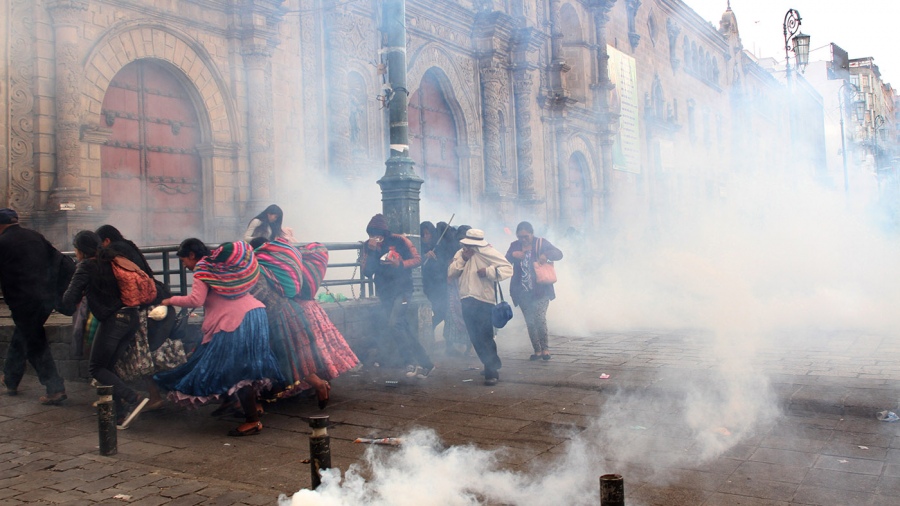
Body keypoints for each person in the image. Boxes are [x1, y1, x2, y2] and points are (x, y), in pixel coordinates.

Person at [154, 239, 284, 437]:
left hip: (235, 321)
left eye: (183, 261)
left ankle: (252, 421)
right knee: (241, 367)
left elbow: (196, 300)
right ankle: (235, 403)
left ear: (191, 255)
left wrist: (169, 300)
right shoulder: (221, 266)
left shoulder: (203, 269)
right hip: (255, 314)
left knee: (238, 370)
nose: (185, 266)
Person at [249, 237, 359, 408]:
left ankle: (315, 385)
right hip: (295, 311)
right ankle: (315, 384)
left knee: (294, 357)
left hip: (282, 315)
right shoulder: (285, 265)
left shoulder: (264, 269)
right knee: (305, 353)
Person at [60, 231, 148, 428]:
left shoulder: (86, 266)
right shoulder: (112, 260)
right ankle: (119, 414)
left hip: (114, 321)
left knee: (96, 368)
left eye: (76, 250)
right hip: (131, 317)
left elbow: (68, 301)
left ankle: (132, 397)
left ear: (81, 250)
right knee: (107, 368)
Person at [96, 224, 172, 410]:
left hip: (140, 307)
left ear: (106, 240)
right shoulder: (127, 246)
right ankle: (125, 395)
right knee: (133, 354)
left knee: (137, 355)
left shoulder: (116, 252)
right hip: (151, 301)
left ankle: (150, 396)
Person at [0, 208, 68, 404]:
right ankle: (10, 379)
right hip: (46, 298)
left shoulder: (3, 242)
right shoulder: (35, 236)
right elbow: (56, 260)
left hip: (23, 301)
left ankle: (55, 389)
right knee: (23, 335)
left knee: (34, 343)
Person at [360, 213, 434, 378]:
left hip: (403, 289)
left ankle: (409, 362)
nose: (375, 238)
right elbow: (367, 272)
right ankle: (426, 363)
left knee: (395, 324)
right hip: (385, 291)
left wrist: (399, 264)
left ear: (384, 233)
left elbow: (417, 259)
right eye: (372, 234)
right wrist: (372, 252)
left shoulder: (399, 240)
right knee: (402, 326)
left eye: (378, 234)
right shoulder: (368, 246)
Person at [448, 228, 512, 386]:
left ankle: (491, 371)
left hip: (484, 299)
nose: (469, 248)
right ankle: (491, 362)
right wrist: (463, 258)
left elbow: (508, 268)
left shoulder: (489, 252)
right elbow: (451, 273)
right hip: (466, 299)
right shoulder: (460, 254)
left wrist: (489, 272)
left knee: (485, 336)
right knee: (474, 336)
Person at [505, 221, 563, 361]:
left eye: (526, 236)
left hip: (541, 290)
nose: (523, 239)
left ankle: (545, 349)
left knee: (539, 318)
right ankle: (537, 350)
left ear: (532, 234)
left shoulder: (541, 243)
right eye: (520, 237)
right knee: (530, 321)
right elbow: (504, 261)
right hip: (522, 291)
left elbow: (559, 254)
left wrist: (546, 255)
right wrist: (513, 255)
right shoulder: (515, 246)